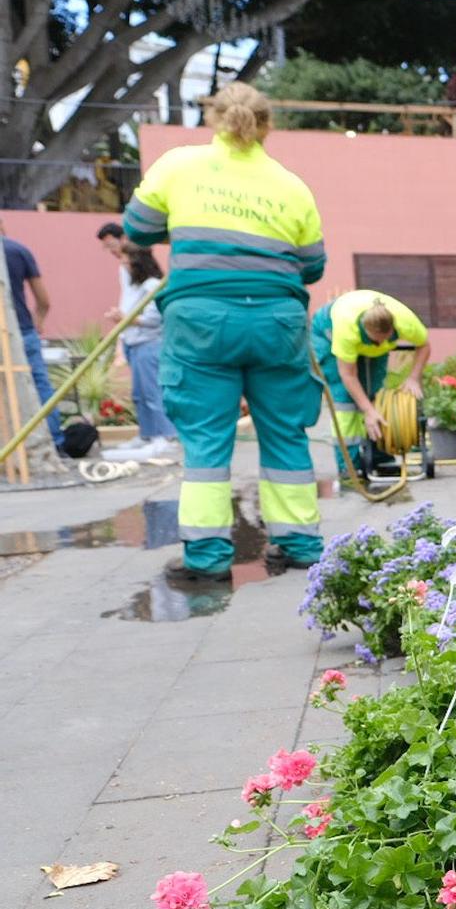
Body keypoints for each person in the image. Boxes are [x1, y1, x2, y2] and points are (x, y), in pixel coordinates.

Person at [123, 82, 327, 582]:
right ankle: (299, 544)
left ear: (213, 117)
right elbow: (314, 266)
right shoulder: (291, 185)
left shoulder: (177, 165)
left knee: (207, 443)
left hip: (201, 322)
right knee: (283, 433)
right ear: (267, 125)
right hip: (276, 322)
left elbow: (137, 228)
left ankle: (208, 557)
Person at [308, 289, 430, 478]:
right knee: (346, 402)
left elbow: (424, 345)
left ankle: (380, 457)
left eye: (386, 340)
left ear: (393, 328)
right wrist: (367, 410)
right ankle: (350, 466)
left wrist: (413, 378)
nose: (380, 344)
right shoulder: (346, 330)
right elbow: (348, 375)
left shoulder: (406, 322)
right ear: (366, 331)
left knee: (376, 395)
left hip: (364, 334)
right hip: (328, 332)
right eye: (375, 340)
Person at [95, 225, 176, 461]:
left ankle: (165, 437)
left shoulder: (152, 286)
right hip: (134, 342)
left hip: (149, 343)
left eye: (127, 260)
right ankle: (147, 434)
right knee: (140, 393)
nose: (123, 264)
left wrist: (127, 319)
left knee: (152, 392)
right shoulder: (133, 284)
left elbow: (155, 318)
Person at [1, 225, 59, 449]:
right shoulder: (18, 250)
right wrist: (38, 322)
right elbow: (43, 300)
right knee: (40, 385)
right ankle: (54, 440)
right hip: (23, 330)